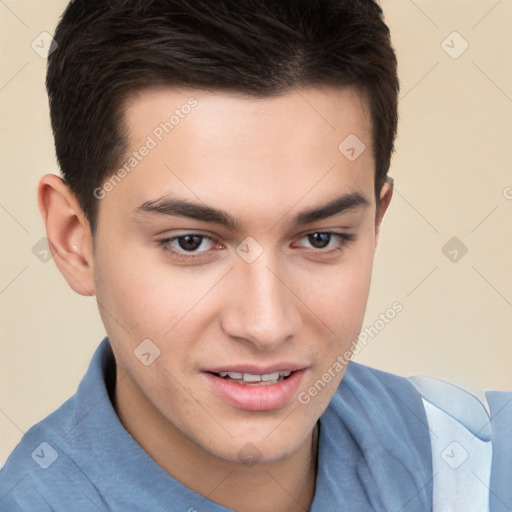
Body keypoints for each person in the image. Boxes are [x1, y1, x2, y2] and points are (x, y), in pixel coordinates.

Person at [1, 0, 510, 510]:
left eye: (320, 238)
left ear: (375, 225)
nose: (265, 325)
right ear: (74, 239)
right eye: (191, 242)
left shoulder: (483, 468)